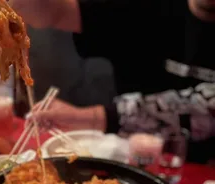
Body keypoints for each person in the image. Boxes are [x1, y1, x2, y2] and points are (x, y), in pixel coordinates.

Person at [12, 0, 215, 163]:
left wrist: (89, 117)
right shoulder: (148, 7)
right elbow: (58, 12)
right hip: (129, 159)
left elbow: (205, 107)